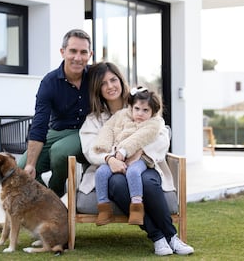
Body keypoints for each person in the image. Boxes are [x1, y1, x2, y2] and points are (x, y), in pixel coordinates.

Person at [79, 62, 194, 256]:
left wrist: (139, 151)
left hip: (145, 164)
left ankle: (172, 237)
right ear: (97, 88)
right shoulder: (94, 119)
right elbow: (91, 149)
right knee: (117, 184)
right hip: (111, 170)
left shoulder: (142, 104)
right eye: (103, 83)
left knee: (147, 183)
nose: (110, 86)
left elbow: (161, 134)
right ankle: (158, 237)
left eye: (113, 80)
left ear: (121, 81)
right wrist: (109, 159)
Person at [17, 29, 93, 197]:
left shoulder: (96, 76)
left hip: (88, 132)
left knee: (60, 152)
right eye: (73, 51)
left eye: (83, 52)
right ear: (63, 52)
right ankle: (48, 199)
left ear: (90, 54)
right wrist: (31, 164)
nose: (77, 57)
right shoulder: (49, 82)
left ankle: (55, 191)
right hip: (58, 132)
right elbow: (39, 124)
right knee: (22, 169)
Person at [92, 86, 164, 226]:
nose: (140, 113)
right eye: (137, 109)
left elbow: (138, 138)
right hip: (116, 156)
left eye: (145, 110)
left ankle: (137, 207)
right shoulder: (122, 116)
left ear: (153, 112)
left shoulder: (153, 123)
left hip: (139, 158)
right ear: (131, 107)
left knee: (133, 171)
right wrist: (104, 146)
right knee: (101, 172)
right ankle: (104, 208)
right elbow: (108, 128)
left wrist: (123, 151)